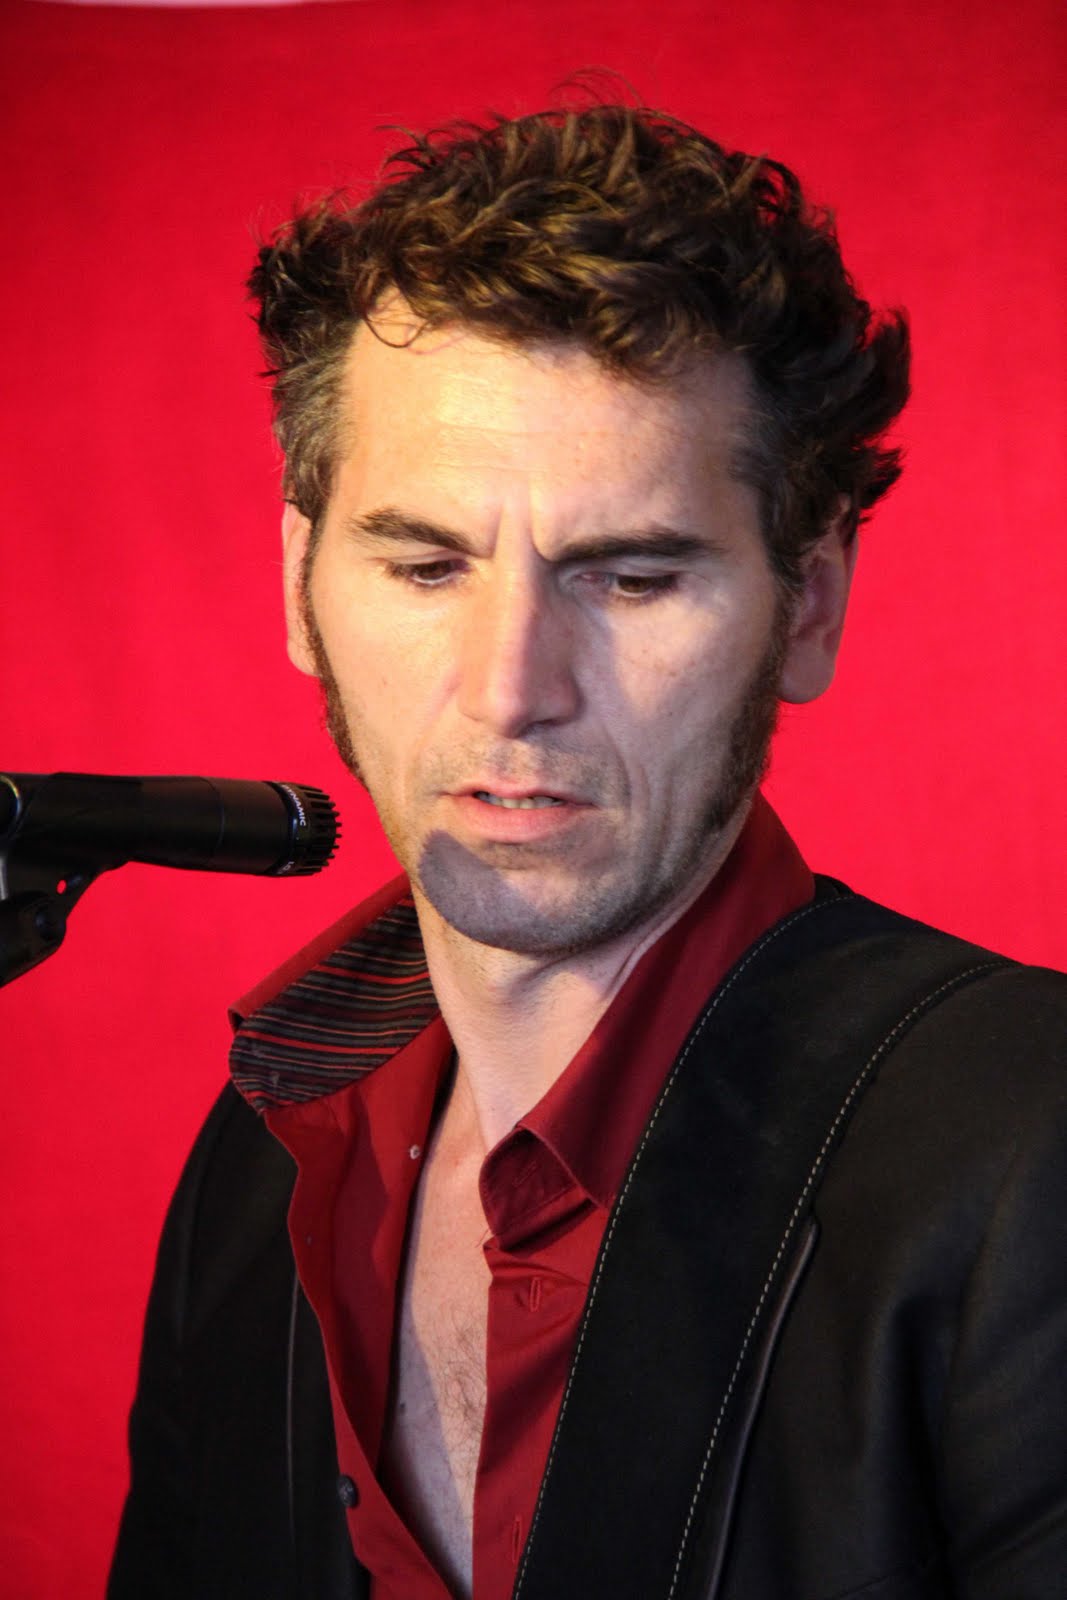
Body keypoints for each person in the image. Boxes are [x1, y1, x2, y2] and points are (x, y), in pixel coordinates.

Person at [108, 104, 1067, 1600]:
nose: (511, 688)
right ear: (302, 587)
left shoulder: (1033, 1142)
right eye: (425, 564)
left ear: (808, 603)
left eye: (628, 578)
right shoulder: (257, 1163)